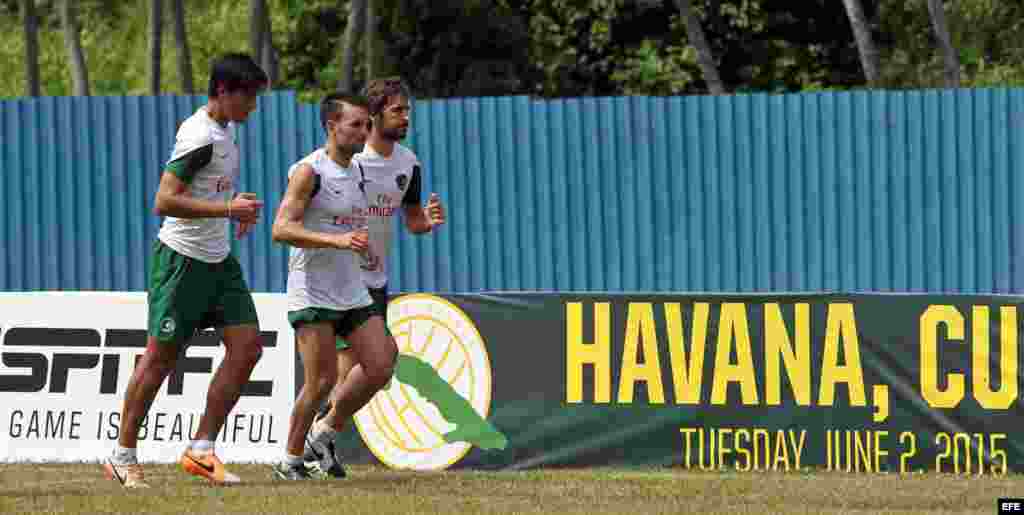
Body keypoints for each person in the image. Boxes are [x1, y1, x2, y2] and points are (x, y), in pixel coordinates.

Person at [102, 53, 268, 488]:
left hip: (220, 261)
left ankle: (201, 449)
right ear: (223, 92)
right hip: (181, 261)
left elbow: (211, 191)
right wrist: (228, 208)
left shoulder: (227, 131)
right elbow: (164, 200)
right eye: (248, 98)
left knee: (248, 347)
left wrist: (238, 207)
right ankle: (122, 454)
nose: (253, 107)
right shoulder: (198, 136)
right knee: (159, 360)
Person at [301, 77, 446, 478]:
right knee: (359, 369)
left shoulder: (409, 163)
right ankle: (313, 442)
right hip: (342, 279)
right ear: (375, 114)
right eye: (397, 110)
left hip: (377, 280)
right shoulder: (351, 161)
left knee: (364, 375)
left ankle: (320, 438)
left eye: (408, 111)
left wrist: (427, 223)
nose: (405, 118)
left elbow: (412, 220)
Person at [270, 93, 397, 480]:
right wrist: (339, 243)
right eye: (355, 125)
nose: (364, 132)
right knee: (321, 380)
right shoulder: (310, 171)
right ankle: (290, 460)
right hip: (313, 290)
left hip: (351, 286)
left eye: (366, 125)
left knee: (381, 363)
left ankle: (322, 434)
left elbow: (348, 226)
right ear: (331, 126)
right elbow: (281, 229)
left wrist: (366, 252)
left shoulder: (357, 170)